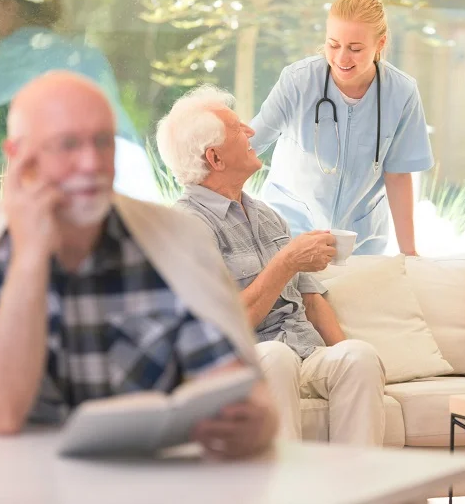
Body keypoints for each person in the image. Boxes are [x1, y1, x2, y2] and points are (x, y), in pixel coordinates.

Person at [0, 72, 277, 459]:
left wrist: (255, 421)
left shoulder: (174, 240)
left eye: (102, 141)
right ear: (20, 158)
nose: (91, 163)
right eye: (68, 144)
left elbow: (233, 383)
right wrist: (30, 256)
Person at [156, 85, 387, 446]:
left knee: (358, 356)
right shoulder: (185, 226)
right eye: (237, 129)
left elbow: (311, 300)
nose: (250, 131)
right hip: (249, 359)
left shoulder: (267, 215)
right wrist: (285, 262)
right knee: (275, 357)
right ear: (215, 158)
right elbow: (224, 328)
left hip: (306, 353)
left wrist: (341, 348)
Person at [249, 0, 434, 256]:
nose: (342, 58)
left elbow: (398, 174)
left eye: (355, 49)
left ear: (380, 43)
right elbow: (250, 144)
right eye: (333, 45)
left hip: (360, 236)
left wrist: (409, 253)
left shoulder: (401, 92)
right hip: (292, 228)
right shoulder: (298, 81)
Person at [0, 0, 157, 201]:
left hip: (88, 167)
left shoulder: (22, 47)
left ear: (10, 8)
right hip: (132, 163)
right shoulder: (81, 49)